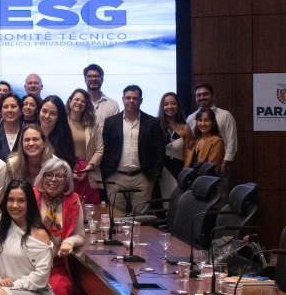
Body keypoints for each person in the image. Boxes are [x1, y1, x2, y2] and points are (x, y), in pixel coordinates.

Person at [100, 85, 164, 214]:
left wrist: (155, 172)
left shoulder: (152, 122)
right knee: (116, 215)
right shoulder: (111, 122)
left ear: (141, 100)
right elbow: (105, 148)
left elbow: (159, 149)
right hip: (116, 176)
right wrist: (107, 171)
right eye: (128, 98)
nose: (131, 101)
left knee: (140, 218)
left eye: (135, 98)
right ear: (123, 99)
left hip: (142, 177)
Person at [33, 158, 83, 295]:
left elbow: (80, 235)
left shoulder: (73, 199)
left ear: (66, 179)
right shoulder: (31, 196)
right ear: (42, 176)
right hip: (29, 263)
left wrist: (69, 241)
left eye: (59, 176)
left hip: (56, 264)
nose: (53, 180)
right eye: (49, 175)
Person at [185, 83, 237, 174]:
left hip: (218, 167)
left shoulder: (225, 115)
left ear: (212, 96)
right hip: (195, 170)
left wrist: (223, 165)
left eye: (205, 94)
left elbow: (231, 142)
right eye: (199, 95)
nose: (202, 97)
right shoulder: (191, 118)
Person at [66, 88, 104, 205]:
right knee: (68, 206)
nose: (79, 103)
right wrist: (68, 170)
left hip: (89, 172)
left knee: (90, 208)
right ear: (70, 102)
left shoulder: (93, 125)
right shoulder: (62, 123)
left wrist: (88, 169)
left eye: (83, 101)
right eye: (76, 99)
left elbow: (99, 150)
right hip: (67, 171)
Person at [158, 91, 193, 184]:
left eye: (173, 103)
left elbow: (187, 155)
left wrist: (185, 172)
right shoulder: (156, 126)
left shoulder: (185, 128)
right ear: (162, 107)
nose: (169, 107)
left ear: (178, 106)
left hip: (179, 172)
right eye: (166, 104)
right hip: (160, 173)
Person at [38, 95, 75, 169]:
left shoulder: (64, 140)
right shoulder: (29, 132)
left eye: (53, 113)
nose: (47, 116)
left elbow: (67, 167)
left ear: (59, 117)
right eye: (44, 111)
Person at [0, 92, 23, 161]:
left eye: (13, 106)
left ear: (20, 111)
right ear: (1, 112)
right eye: (5, 107)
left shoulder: (26, 134)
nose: (9, 110)